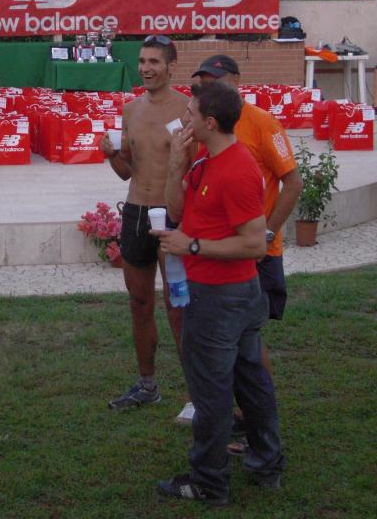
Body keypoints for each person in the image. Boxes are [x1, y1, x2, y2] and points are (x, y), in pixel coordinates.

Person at [153, 80, 285, 506]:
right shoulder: (206, 161)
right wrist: (176, 162)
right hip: (225, 295)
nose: (184, 119)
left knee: (211, 393)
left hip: (221, 297)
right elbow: (176, 211)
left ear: (209, 122)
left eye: (190, 114)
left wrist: (192, 246)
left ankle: (209, 483)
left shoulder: (236, 169)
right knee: (250, 380)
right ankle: (267, 464)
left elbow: (254, 243)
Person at [191, 54, 302, 444]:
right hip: (227, 253)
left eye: (217, 81)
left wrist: (267, 235)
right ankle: (245, 418)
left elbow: (294, 182)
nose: (210, 88)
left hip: (258, 252)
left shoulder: (262, 122)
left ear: (238, 80)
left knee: (251, 344)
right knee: (235, 342)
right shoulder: (206, 131)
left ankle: (254, 417)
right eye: (203, 83)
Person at [100, 35, 190, 410]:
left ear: (171, 67)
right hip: (136, 212)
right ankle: (147, 383)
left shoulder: (188, 108)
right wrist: (110, 156)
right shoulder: (130, 110)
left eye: (154, 62)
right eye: (142, 61)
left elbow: (195, 167)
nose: (146, 68)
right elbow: (126, 172)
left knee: (179, 306)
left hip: (172, 215)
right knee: (139, 303)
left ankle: (197, 393)